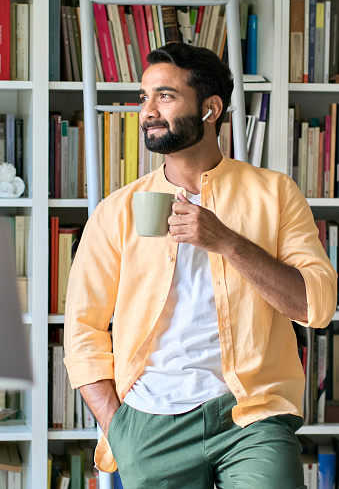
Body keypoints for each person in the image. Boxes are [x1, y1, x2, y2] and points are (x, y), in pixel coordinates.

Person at [64, 43, 337, 489]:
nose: (147, 111)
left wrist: (226, 241)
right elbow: (83, 330)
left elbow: (315, 307)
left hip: (253, 414)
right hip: (150, 422)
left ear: (211, 109)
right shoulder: (117, 211)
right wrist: (119, 428)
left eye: (165, 96)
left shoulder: (275, 194)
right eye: (143, 98)